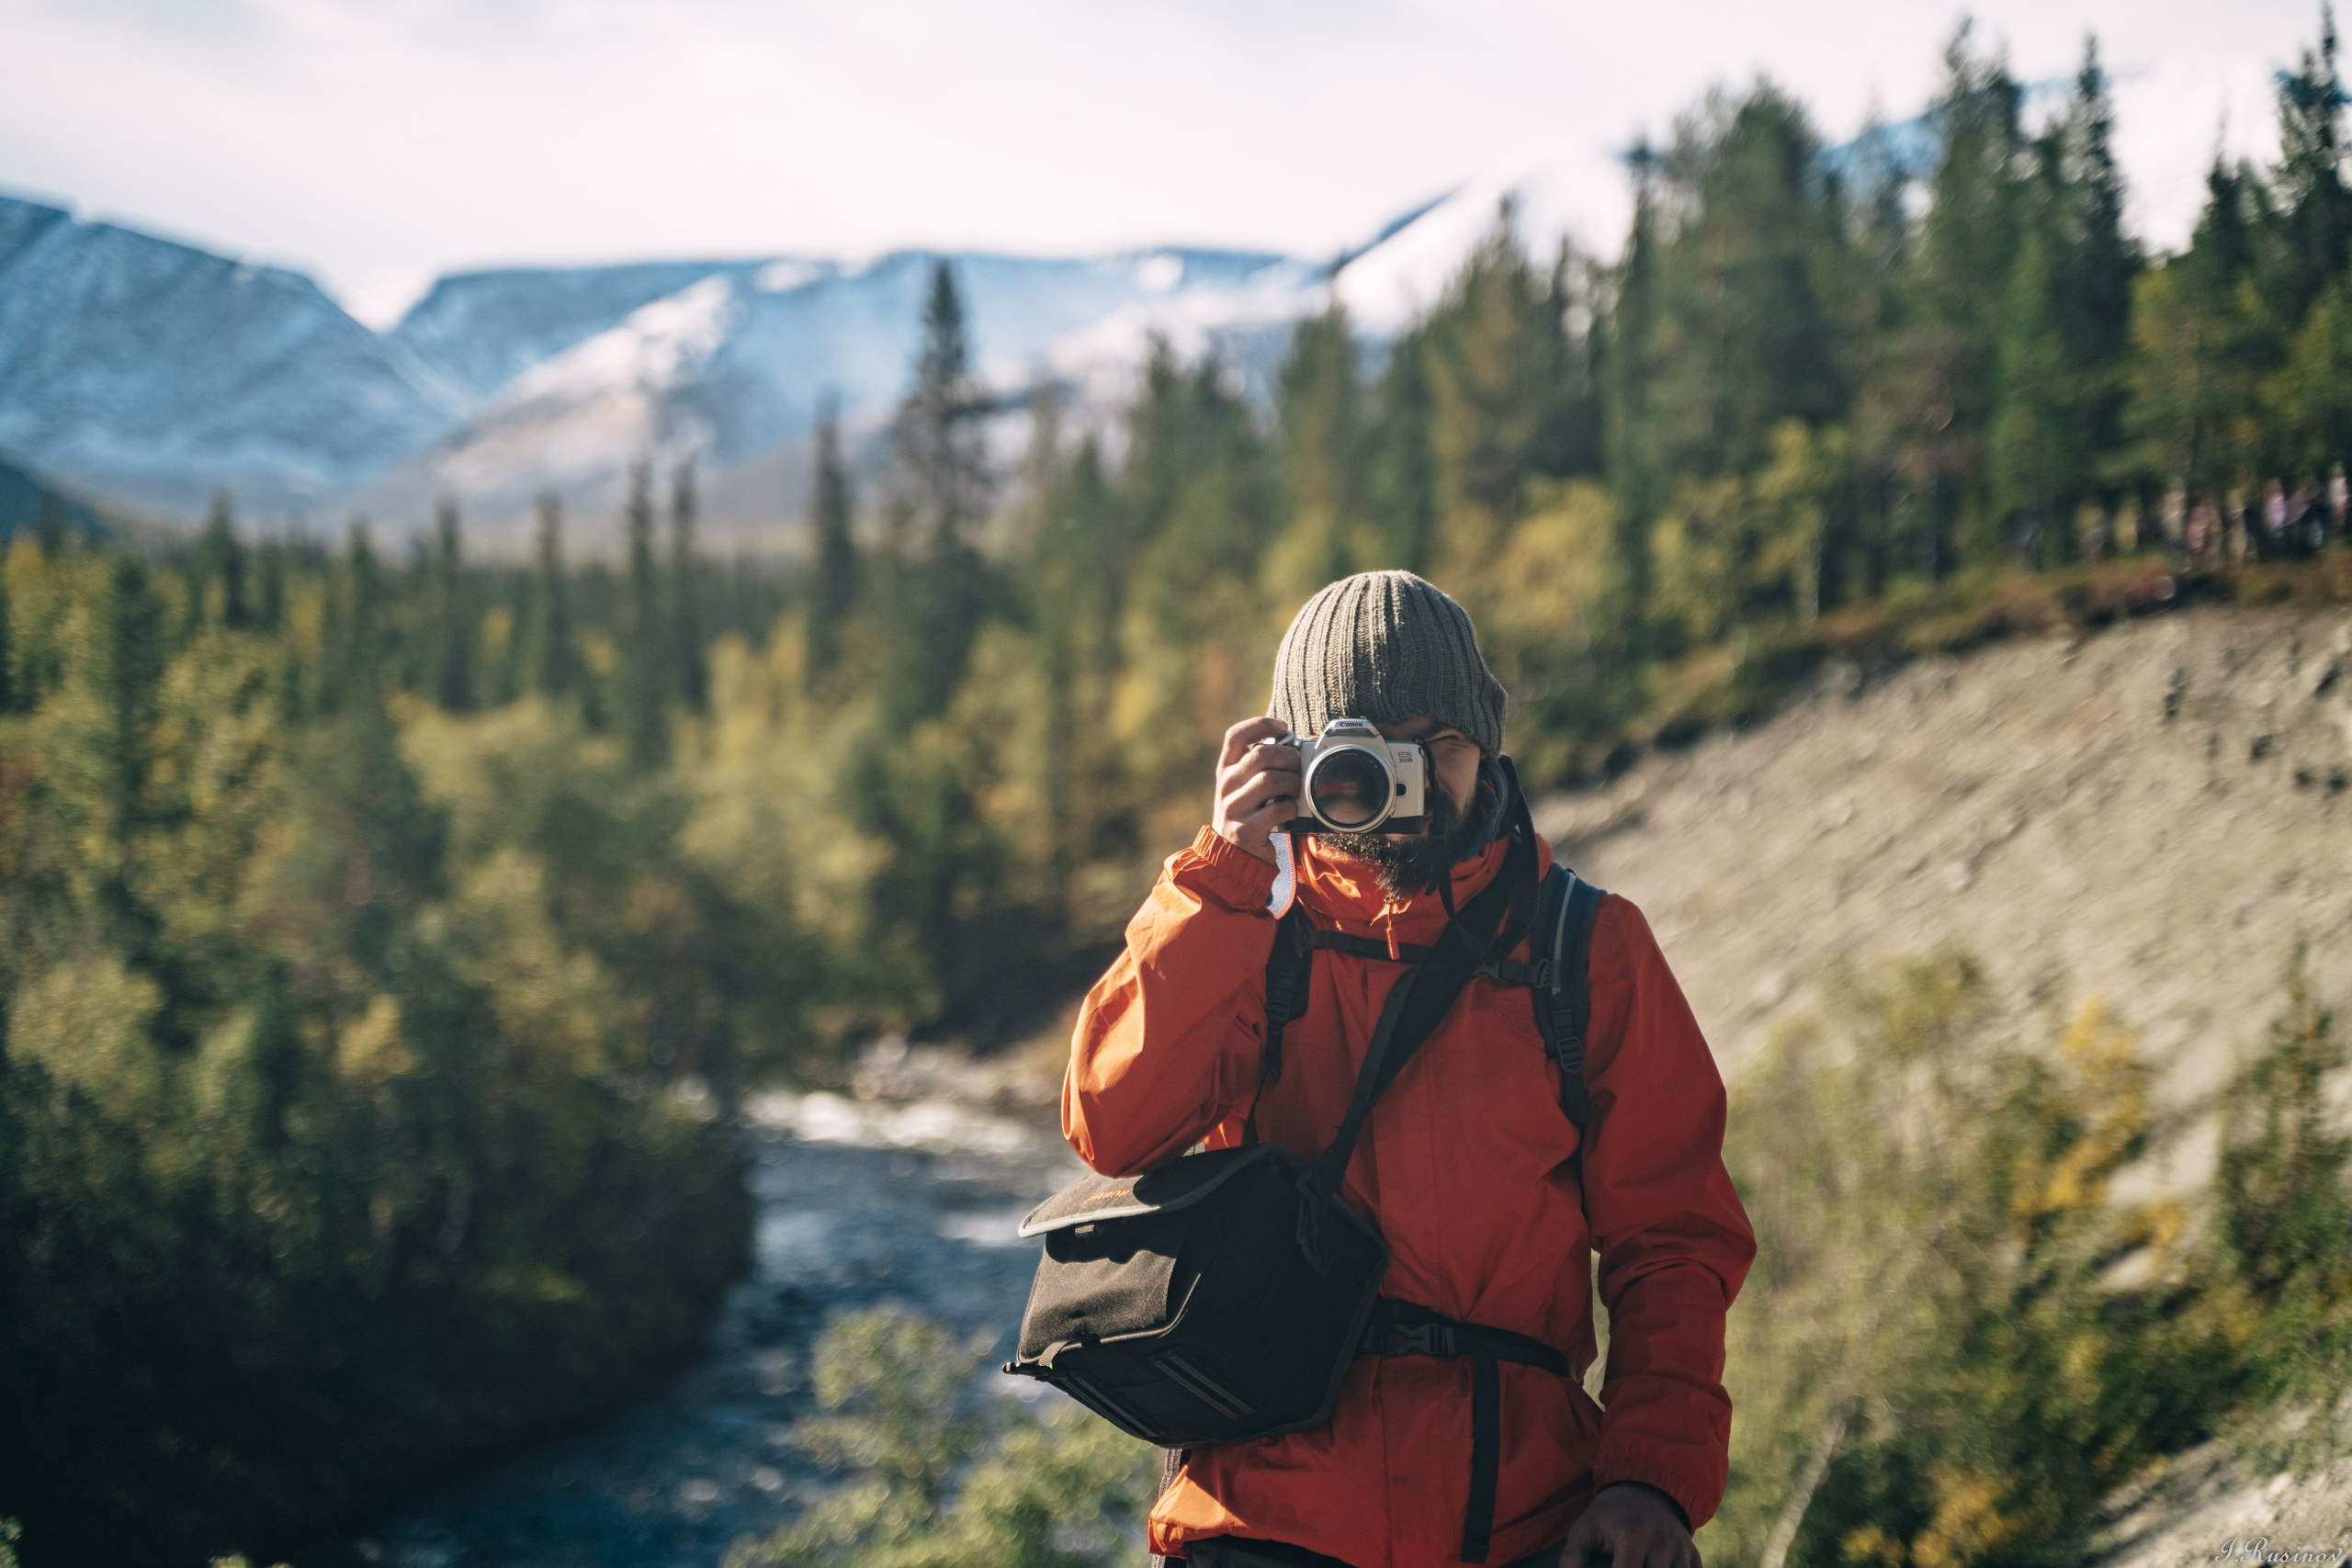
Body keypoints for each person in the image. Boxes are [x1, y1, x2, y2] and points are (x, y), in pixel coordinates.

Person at [1062, 572, 1756, 1568]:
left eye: (1437, 744)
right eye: (1366, 751)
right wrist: (1221, 874)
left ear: (1489, 744)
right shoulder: (1242, 924)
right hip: (1264, 1523)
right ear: (1296, 758)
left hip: (1523, 1523)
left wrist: (1648, 1478)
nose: (1406, 784)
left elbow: (1673, 1240)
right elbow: (1110, 1125)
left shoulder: (1584, 946)